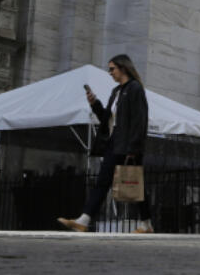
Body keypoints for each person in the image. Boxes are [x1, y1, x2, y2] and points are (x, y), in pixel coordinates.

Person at [58, 55, 152, 234]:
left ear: (123, 68)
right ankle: (84, 220)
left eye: (112, 69)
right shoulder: (116, 91)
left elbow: (139, 121)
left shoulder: (135, 89)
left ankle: (146, 223)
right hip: (114, 142)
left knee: (135, 183)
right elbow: (106, 119)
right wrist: (95, 104)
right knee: (103, 182)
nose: (110, 73)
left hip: (128, 144)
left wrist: (133, 148)